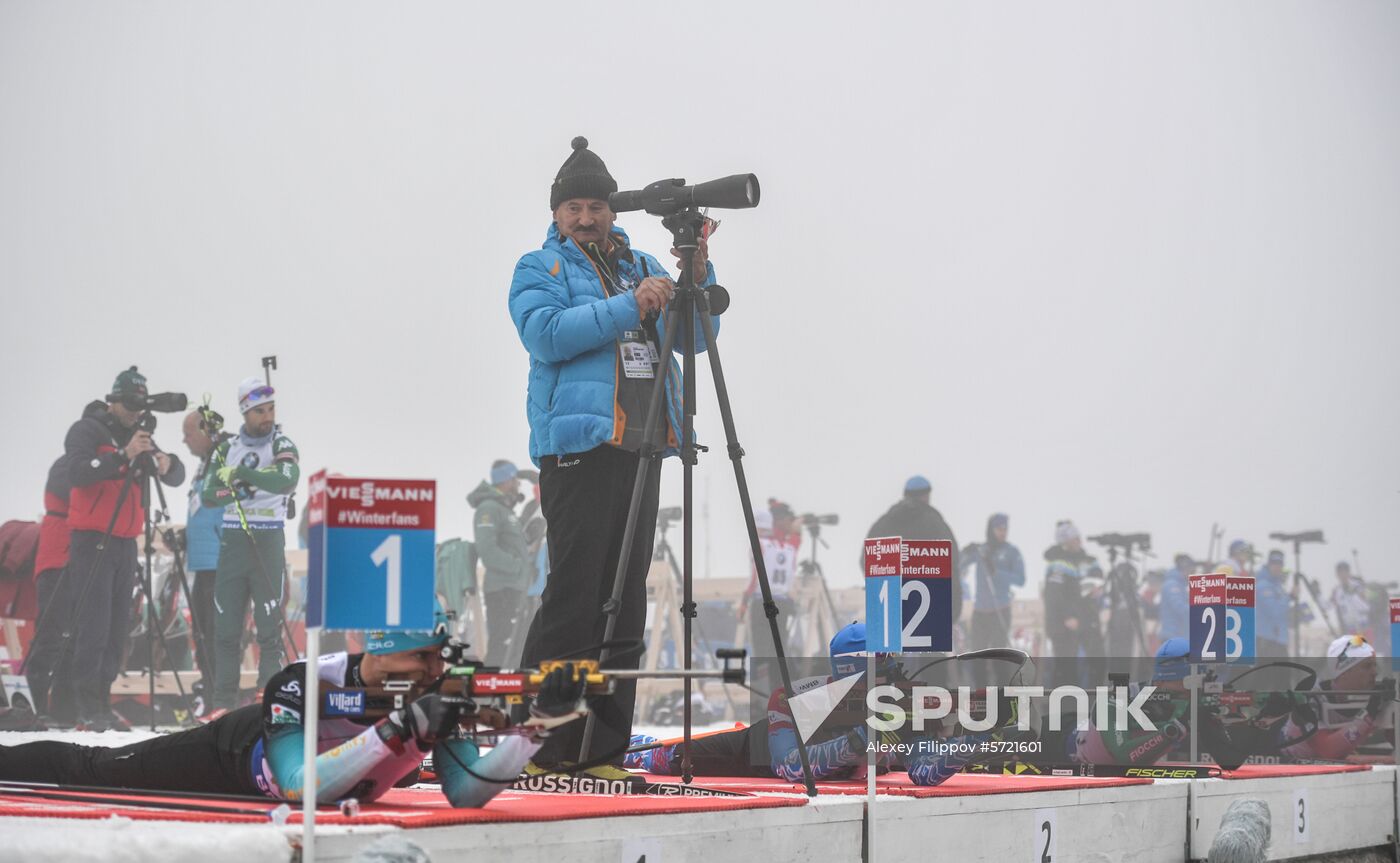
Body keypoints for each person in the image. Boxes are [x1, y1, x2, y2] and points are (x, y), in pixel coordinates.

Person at [0, 609, 585, 808]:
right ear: (379, 652)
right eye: (423, 659)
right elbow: (298, 785)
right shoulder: (305, 680)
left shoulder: (437, 694)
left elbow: (469, 793)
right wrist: (400, 728)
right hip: (232, 757)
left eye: (441, 661)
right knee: (92, 770)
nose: (435, 673)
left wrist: (532, 728)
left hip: (328, 779)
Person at [625, 622, 1024, 786]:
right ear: (857, 666)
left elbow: (923, 771)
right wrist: (862, 739)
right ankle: (623, 744)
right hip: (750, 753)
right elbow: (789, 767)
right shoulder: (796, 698)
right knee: (663, 758)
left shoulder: (905, 703)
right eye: (887, 660)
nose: (899, 668)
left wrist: (988, 736)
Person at [62, 368, 186, 730]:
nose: (135, 413)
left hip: (126, 541)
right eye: (129, 404)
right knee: (94, 626)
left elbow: (176, 476)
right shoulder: (87, 430)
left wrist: (166, 463)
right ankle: (87, 705)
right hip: (91, 538)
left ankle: (103, 700)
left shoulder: (139, 435)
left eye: (140, 405)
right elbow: (77, 473)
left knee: (118, 628)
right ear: (113, 401)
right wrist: (122, 455)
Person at [201, 378, 299, 718]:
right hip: (234, 541)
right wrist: (236, 492)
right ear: (245, 411)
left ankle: (267, 700)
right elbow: (208, 495)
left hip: (268, 538)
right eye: (259, 411)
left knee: (269, 627)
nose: (267, 416)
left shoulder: (281, 442)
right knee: (226, 628)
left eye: (271, 409)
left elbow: (287, 479)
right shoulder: (225, 448)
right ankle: (222, 704)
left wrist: (244, 474)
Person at [862, 476, 962, 623]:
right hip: (931, 607)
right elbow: (951, 562)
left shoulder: (882, 524)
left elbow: (866, 561)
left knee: (895, 645)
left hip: (890, 610)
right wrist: (954, 609)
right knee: (929, 645)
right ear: (926, 496)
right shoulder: (935, 524)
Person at [1280, 634, 1395, 761]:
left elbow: (1394, 739)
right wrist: (1368, 715)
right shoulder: (1310, 697)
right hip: (1286, 767)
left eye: (1375, 665)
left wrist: (1392, 711)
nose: (1375, 672)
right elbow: (1328, 751)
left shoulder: (1372, 696)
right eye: (1367, 666)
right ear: (1344, 672)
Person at [469, 459, 533, 665]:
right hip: (502, 590)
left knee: (516, 645)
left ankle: (508, 691)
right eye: (515, 480)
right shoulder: (488, 509)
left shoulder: (505, 509)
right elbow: (487, 550)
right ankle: (491, 691)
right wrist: (517, 566)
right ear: (507, 480)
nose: (518, 484)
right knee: (502, 643)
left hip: (515, 588)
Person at [182, 408, 227, 693]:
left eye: (188, 434)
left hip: (219, 563)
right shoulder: (205, 463)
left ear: (205, 431)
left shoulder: (223, 459)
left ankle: (220, 698)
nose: (184, 441)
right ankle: (211, 696)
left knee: (215, 635)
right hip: (203, 563)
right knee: (202, 635)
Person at [960, 513, 1025, 654]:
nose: (1003, 533)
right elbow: (957, 566)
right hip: (980, 613)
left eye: (1005, 529)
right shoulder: (981, 551)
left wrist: (996, 573)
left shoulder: (1011, 551)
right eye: (999, 529)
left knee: (998, 657)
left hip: (1000, 610)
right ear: (991, 529)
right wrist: (964, 552)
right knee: (977, 656)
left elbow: (1020, 580)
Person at [1255, 550, 1291, 658]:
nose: (1277, 567)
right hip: (1267, 641)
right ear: (1269, 564)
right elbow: (1274, 611)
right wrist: (1291, 597)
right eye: (1274, 563)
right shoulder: (1263, 585)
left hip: (1279, 639)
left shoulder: (1278, 586)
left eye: (1280, 564)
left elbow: (1283, 612)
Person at [1155, 554, 1194, 644]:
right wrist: (1199, 610)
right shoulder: (1172, 585)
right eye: (1191, 569)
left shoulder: (1180, 584)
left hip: (1179, 635)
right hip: (1172, 636)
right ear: (1185, 568)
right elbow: (1179, 607)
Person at [1329, 562, 1371, 639]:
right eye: (1340, 573)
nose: (1343, 575)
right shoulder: (1337, 591)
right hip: (1350, 629)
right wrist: (1317, 595)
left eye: (1345, 572)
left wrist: (1359, 593)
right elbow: (1328, 606)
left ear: (1349, 573)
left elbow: (1367, 602)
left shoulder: (1358, 585)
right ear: (1337, 575)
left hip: (1363, 626)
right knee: (1353, 649)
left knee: (1366, 649)